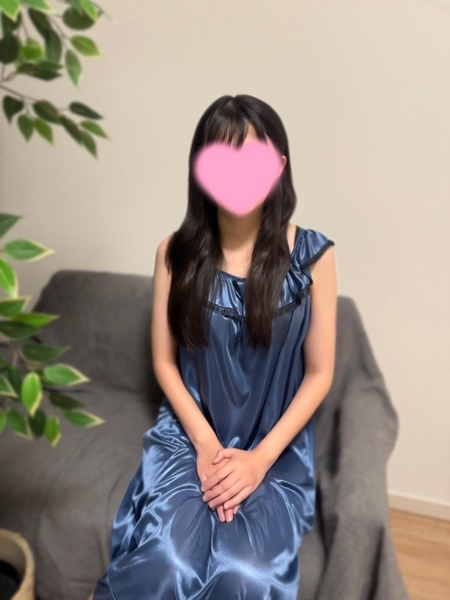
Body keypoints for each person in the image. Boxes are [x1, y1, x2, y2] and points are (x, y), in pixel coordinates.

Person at [89, 94, 337, 600]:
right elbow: (164, 362)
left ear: (278, 166)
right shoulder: (173, 253)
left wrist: (259, 460)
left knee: (246, 576)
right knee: (166, 560)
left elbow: (319, 373)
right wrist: (205, 443)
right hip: (191, 430)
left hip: (275, 443)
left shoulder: (313, 256)